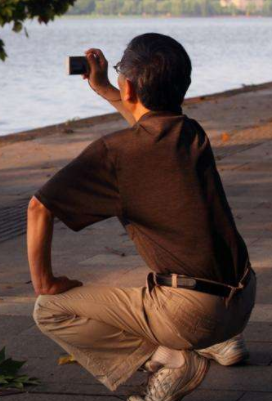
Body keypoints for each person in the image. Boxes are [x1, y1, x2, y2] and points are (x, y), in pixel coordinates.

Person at [28, 33, 255, 401]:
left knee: (50, 310)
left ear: (129, 86)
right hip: (242, 297)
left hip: (193, 314)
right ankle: (217, 342)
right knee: (175, 268)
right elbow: (151, 121)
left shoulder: (114, 153)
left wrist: (45, 282)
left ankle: (170, 360)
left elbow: (39, 207)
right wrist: (105, 89)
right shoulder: (191, 133)